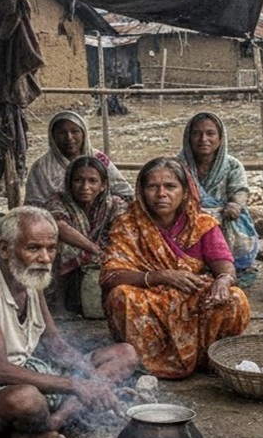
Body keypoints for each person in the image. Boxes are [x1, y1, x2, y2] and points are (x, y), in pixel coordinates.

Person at [0, 206, 137, 438]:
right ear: (4, 249)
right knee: (26, 400)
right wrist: (77, 385)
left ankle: (52, 423)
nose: (45, 258)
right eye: (33, 248)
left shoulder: (30, 282)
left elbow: (55, 345)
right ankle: (48, 421)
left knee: (125, 354)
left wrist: (96, 383)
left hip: (25, 373)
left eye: (51, 248)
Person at [101, 157, 251, 379]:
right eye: (153, 187)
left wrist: (223, 281)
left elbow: (225, 267)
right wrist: (161, 276)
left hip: (190, 296)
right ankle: (145, 360)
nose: (161, 194)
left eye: (170, 186)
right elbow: (112, 275)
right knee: (121, 296)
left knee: (235, 298)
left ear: (185, 191)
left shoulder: (202, 223)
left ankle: (209, 358)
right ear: (142, 191)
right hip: (149, 296)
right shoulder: (127, 225)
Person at [176, 112, 260, 285]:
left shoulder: (232, 165)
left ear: (220, 138)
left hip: (225, 215)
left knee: (233, 221)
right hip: (191, 216)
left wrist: (235, 205)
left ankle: (230, 266)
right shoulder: (178, 165)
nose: (203, 139)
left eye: (210, 133)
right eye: (197, 133)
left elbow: (240, 189)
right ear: (188, 137)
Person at [44, 156, 127, 319]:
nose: (85, 187)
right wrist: (93, 248)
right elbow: (59, 226)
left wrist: (108, 252)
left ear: (103, 185)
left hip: (103, 259)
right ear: (69, 183)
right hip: (73, 264)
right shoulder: (58, 201)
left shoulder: (113, 204)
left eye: (92, 181)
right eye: (78, 180)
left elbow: (123, 229)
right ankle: (59, 306)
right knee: (63, 247)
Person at [24, 111, 134, 207]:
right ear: (52, 136)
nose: (69, 137)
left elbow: (124, 192)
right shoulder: (42, 167)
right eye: (62, 132)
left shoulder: (98, 158)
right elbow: (34, 206)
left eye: (75, 131)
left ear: (84, 134)